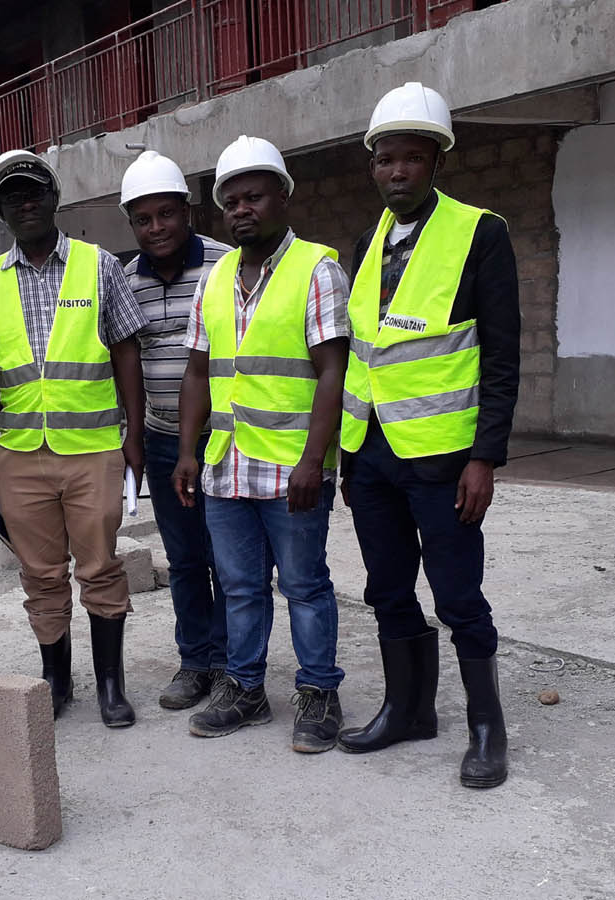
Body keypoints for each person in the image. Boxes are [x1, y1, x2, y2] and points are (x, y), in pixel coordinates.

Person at [336, 82, 520, 789]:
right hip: (374, 454)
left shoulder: (482, 234)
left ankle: (485, 727)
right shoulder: (367, 240)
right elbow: (366, 355)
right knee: (387, 588)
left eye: (414, 158)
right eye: (386, 159)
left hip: (445, 460)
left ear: (437, 161)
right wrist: (352, 456)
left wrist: (485, 456)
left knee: (457, 596)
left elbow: (502, 356)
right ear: (373, 165)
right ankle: (408, 709)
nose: (398, 172)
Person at [172, 136, 350, 754]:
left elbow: (333, 370)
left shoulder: (317, 271)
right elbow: (198, 370)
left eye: (254, 196)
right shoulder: (215, 278)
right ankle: (245, 687)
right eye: (231, 201)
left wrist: (313, 461)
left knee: (304, 585)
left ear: (283, 196)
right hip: (227, 465)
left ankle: (319, 690)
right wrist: (190, 451)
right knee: (240, 587)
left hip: (291, 469)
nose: (242, 209)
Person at [0, 150, 148, 728]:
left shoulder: (98, 267)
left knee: (100, 568)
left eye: (34, 192)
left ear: (54, 198)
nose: (25, 203)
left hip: (93, 449)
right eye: (13, 196)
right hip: (19, 456)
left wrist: (133, 437)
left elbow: (126, 350)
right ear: (1, 210)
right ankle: (58, 679)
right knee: (40, 576)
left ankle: (111, 687)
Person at [119, 150, 231, 711]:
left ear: (187, 212)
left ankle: (235, 664)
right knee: (185, 557)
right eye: (143, 218)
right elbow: (128, 362)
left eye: (166, 214)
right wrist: (133, 436)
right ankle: (196, 663)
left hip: (225, 439)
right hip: (163, 439)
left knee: (230, 558)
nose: (156, 228)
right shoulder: (124, 280)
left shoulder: (225, 265)